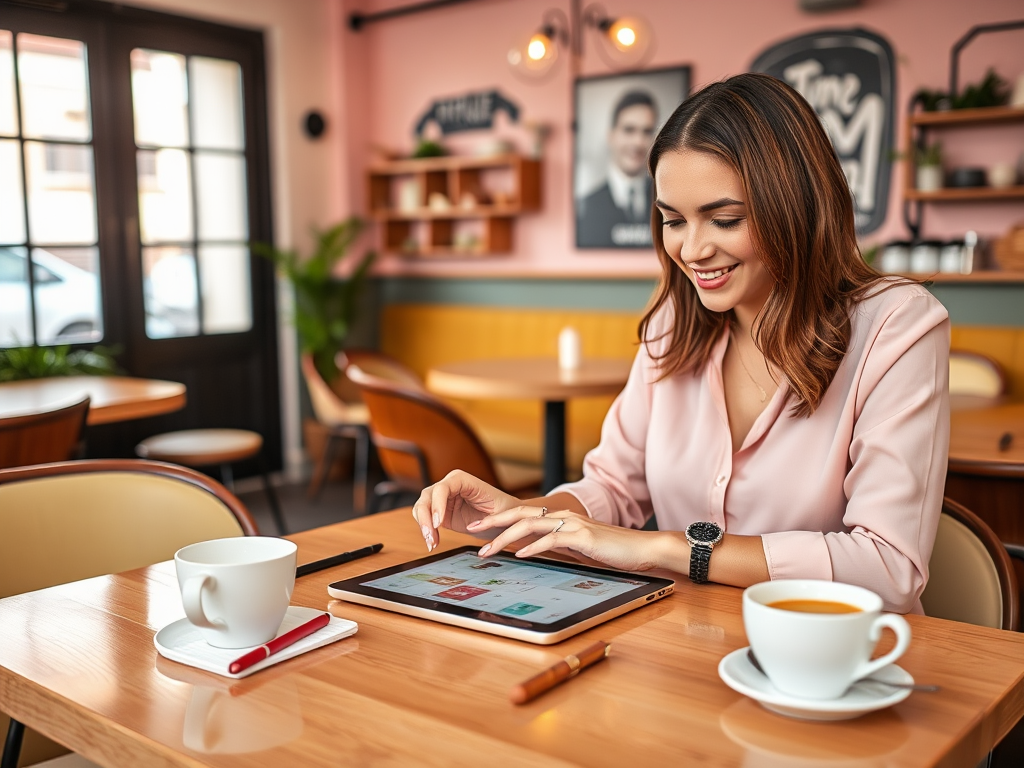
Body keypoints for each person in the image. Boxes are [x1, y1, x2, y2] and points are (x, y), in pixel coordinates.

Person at [412, 73, 949, 614]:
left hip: (831, 661)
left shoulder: (897, 326)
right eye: (672, 220)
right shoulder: (676, 323)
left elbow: (888, 568)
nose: (692, 250)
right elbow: (613, 488)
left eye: (724, 219)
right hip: (682, 648)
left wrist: (670, 549)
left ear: (797, 205)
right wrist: (524, 519)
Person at [576, 89, 657, 248]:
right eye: (629, 130)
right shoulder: (586, 206)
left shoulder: (667, 201)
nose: (638, 142)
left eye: (646, 132)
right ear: (611, 136)